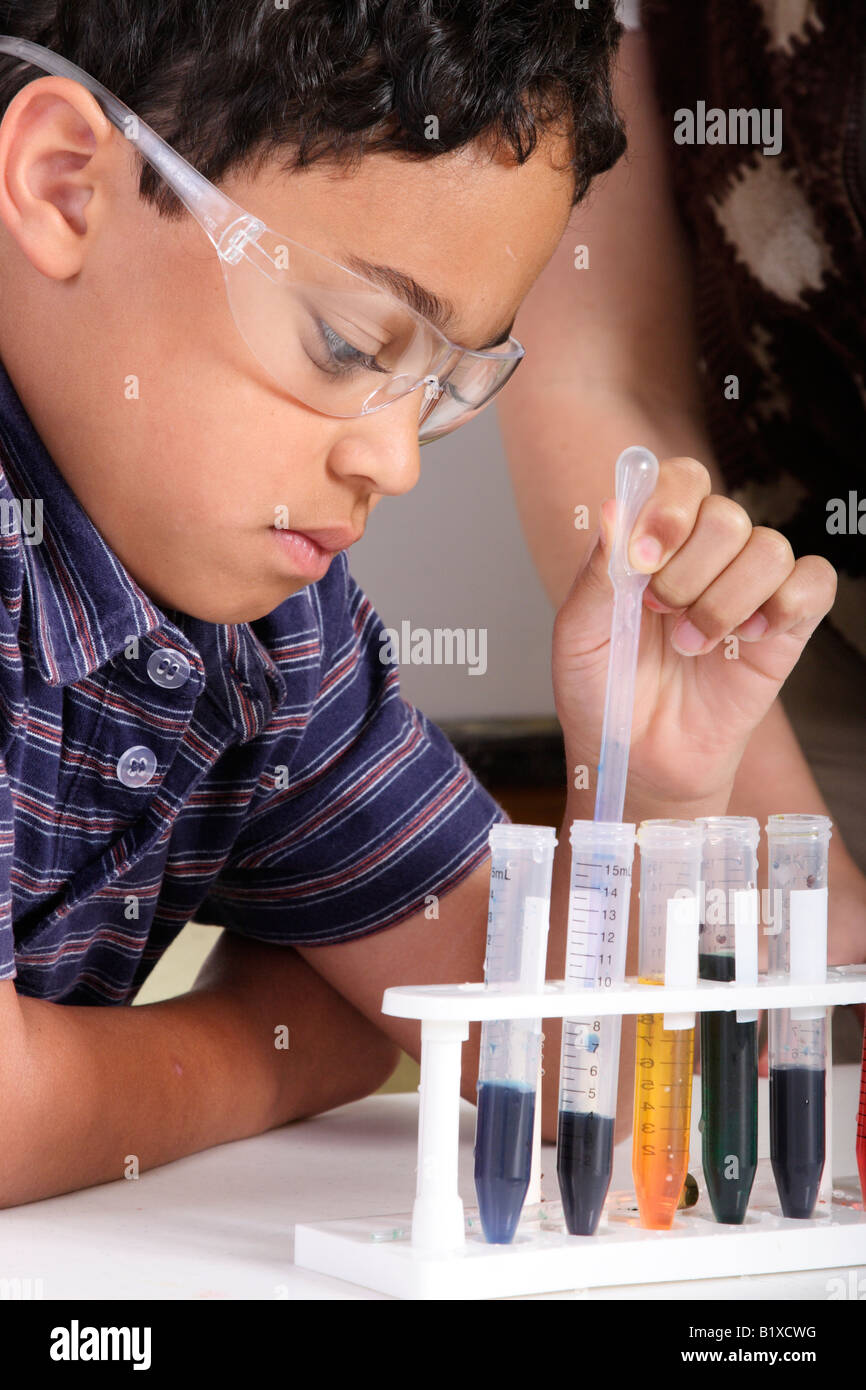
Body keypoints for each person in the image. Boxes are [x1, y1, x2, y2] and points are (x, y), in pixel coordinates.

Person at [0, 0, 835, 1209]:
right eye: (345, 344)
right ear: (67, 184)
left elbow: (545, 1057)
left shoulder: (273, 633)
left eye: (444, 381)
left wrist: (649, 792)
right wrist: (271, 1050)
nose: (394, 461)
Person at [497, 6, 866, 1057]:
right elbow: (592, 370)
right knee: (763, 1038)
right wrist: (796, 881)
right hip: (796, 604)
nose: (390, 456)